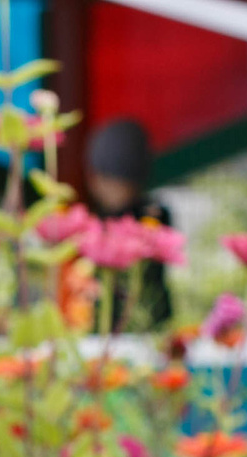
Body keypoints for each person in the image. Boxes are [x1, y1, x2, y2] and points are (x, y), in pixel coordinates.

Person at [85, 116, 175, 330]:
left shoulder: (153, 218)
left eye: (112, 180)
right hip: (100, 328)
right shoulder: (94, 220)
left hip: (150, 325)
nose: (103, 187)